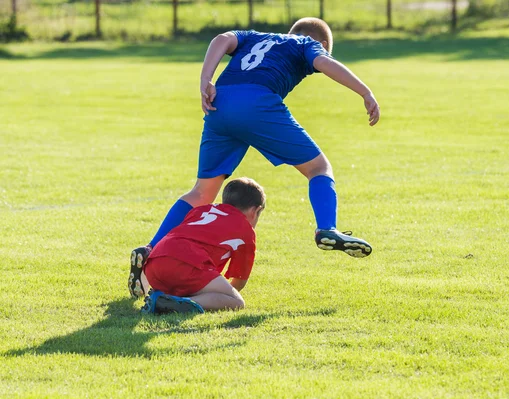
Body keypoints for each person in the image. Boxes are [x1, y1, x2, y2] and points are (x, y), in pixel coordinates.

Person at [129, 17, 380, 299]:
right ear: (321, 44)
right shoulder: (307, 44)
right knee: (318, 167)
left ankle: (150, 248)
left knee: (202, 192)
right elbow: (324, 63)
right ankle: (327, 228)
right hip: (257, 102)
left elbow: (221, 39)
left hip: (219, 104)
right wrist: (365, 92)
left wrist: (206, 80)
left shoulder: (254, 36)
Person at [139, 177, 265, 314]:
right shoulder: (246, 230)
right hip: (186, 264)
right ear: (255, 211)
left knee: (186, 279)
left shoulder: (202, 210)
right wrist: (217, 296)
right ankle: (175, 303)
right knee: (236, 302)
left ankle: (163, 298)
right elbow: (239, 281)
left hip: (154, 263)